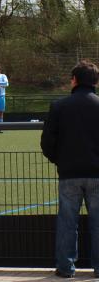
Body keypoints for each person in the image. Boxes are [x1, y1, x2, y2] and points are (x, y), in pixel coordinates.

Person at [41, 60, 99, 279]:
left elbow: (47, 143)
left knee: (67, 223)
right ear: (96, 81)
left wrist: (60, 161)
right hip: (97, 173)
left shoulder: (59, 106)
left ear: (74, 80)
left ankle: (65, 268)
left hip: (69, 174)